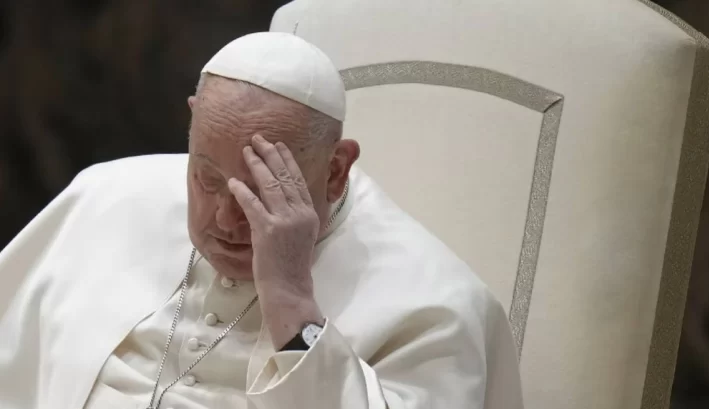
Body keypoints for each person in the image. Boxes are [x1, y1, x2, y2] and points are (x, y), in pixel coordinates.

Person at [0, 32, 523, 409]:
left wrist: (292, 300)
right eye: (207, 179)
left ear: (335, 170)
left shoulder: (436, 303)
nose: (226, 221)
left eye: (260, 190)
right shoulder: (105, 198)